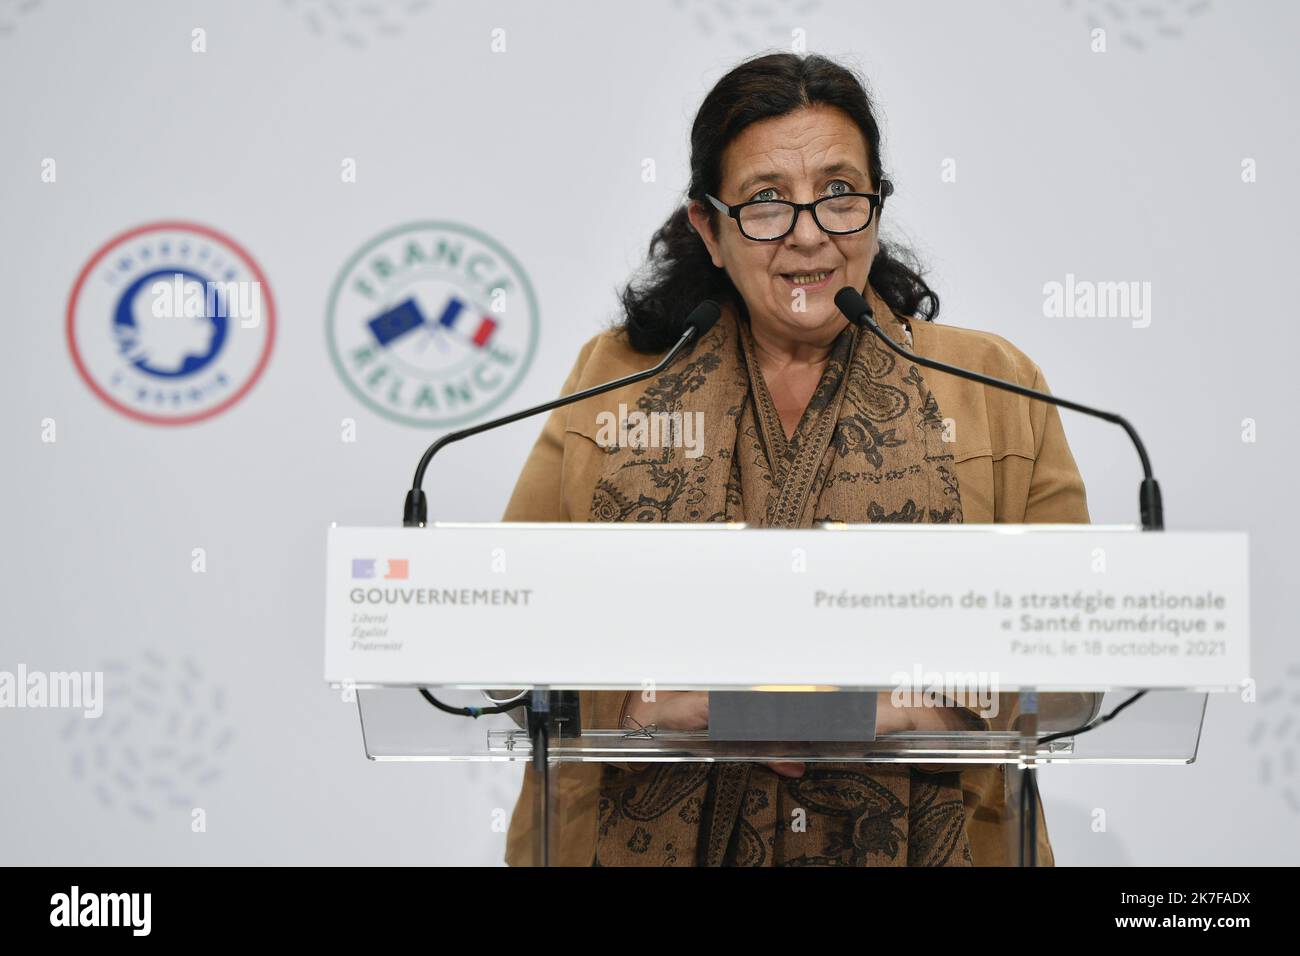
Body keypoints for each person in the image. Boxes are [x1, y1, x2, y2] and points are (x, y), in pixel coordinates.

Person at [500, 52, 1092, 867]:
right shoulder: (615, 383)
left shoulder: (992, 384)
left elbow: (1077, 667)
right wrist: (656, 705)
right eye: (767, 202)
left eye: (841, 194)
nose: (810, 232)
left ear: (877, 208)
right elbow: (506, 644)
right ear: (708, 227)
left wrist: (896, 714)